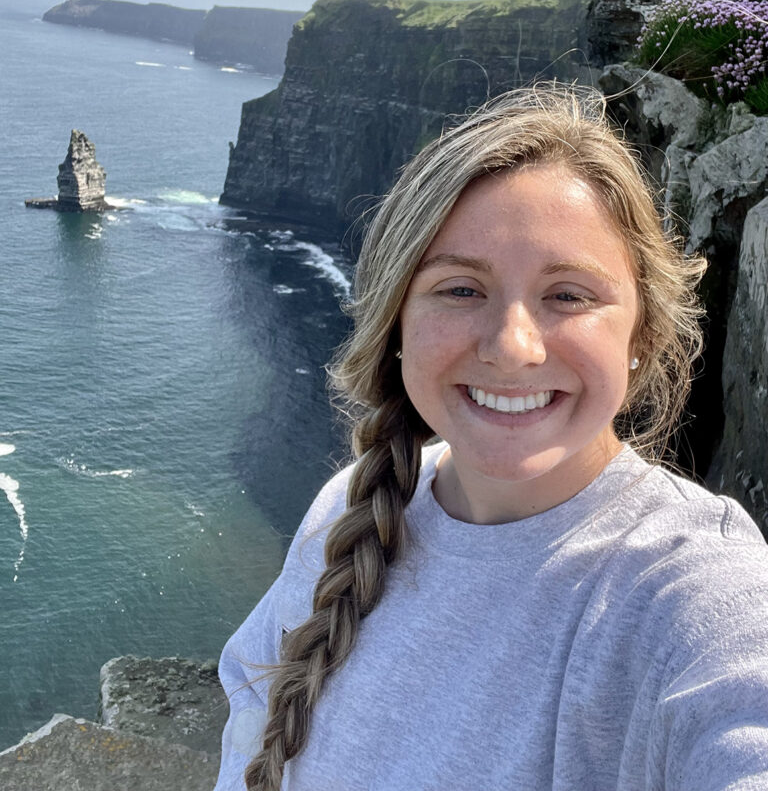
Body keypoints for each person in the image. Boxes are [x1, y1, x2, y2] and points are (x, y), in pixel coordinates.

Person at [214, 86, 768, 791]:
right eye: (460, 290)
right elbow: (249, 728)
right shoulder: (346, 509)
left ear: (642, 335)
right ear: (396, 325)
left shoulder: (690, 592)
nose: (513, 347)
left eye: (569, 294)